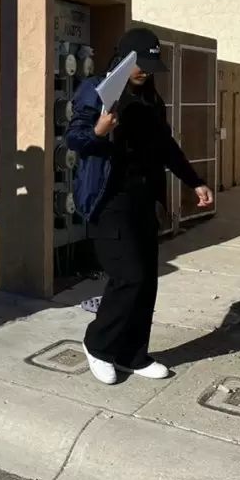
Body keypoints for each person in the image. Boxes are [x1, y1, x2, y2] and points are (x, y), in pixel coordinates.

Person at [66, 27, 214, 384]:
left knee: (147, 281)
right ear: (123, 60)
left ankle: (132, 353)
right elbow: (75, 137)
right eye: (139, 64)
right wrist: (99, 131)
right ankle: (98, 344)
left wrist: (194, 181)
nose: (145, 71)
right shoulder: (96, 91)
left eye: (150, 65)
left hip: (142, 198)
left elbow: (166, 147)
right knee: (128, 276)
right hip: (109, 199)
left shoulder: (150, 97)